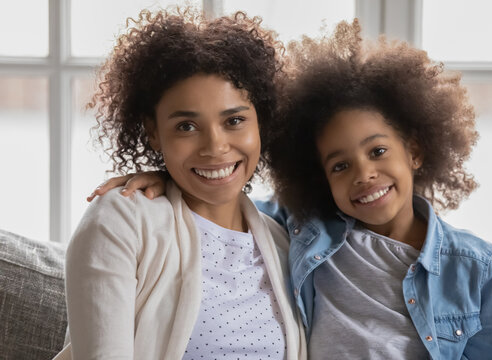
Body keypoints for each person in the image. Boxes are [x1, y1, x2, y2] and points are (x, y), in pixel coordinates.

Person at [91, 21, 492, 360]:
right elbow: (226, 202)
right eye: (340, 165)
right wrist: (167, 176)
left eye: (378, 151)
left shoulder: (474, 268)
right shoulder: (308, 231)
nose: (364, 174)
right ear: (318, 177)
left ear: (417, 150)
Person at [54, 8, 306, 360]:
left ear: (261, 123)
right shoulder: (120, 220)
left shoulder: (285, 244)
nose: (215, 147)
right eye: (186, 126)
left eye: (234, 120)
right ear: (153, 133)